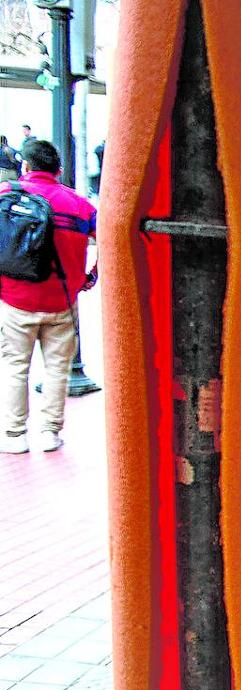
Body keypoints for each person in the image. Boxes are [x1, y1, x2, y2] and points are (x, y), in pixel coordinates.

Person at [0, 139, 97, 454]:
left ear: (26, 167)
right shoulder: (79, 205)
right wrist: (90, 276)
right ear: (58, 170)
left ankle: (14, 436)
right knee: (57, 368)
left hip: (15, 299)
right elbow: (111, 239)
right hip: (62, 301)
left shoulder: (6, 196)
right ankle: (49, 433)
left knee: (15, 366)